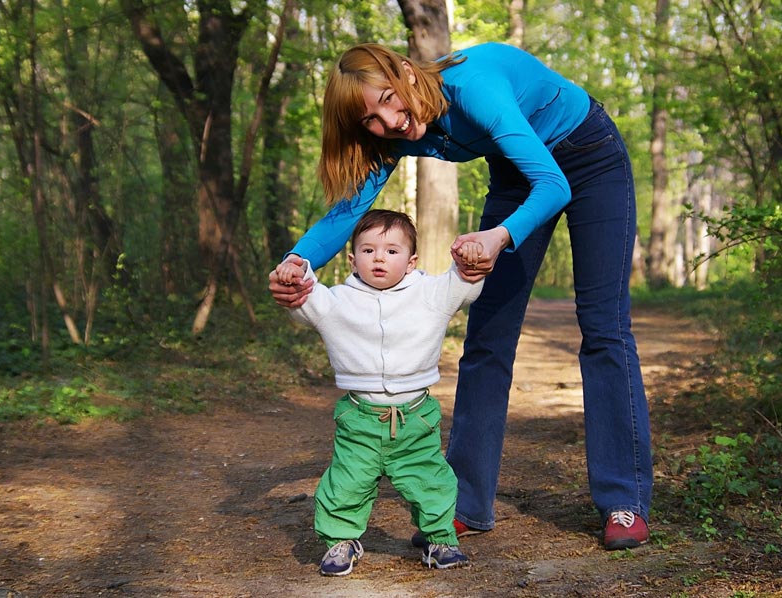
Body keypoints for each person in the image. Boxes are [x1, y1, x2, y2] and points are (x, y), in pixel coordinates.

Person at [268, 41, 653, 551]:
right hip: (517, 173)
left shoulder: (473, 89)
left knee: (604, 326)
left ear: (406, 70)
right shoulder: (391, 136)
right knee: (487, 334)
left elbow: (555, 184)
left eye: (389, 97)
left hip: (588, 158)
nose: (391, 121)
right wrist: (298, 263)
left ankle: (623, 500)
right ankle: (465, 502)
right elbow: (344, 213)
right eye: (371, 120)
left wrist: (499, 236)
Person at [274, 209, 483, 575]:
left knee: (431, 480)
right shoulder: (339, 300)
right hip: (360, 419)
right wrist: (296, 273)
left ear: (411, 260)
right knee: (346, 482)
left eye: (391, 251)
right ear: (353, 260)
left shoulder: (429, 293)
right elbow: (306, 301)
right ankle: (340, 539)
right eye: (368, 251)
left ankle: (439, 540)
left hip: (415, 417)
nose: (379, 258)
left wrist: (468, 263)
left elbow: (461, 285)